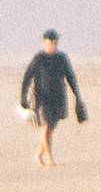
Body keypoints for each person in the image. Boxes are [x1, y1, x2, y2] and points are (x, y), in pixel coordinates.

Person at [19, 29, 86, 165]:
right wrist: (23, 98)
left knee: (50, 128)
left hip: (58, 97)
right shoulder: (39, 58)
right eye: (50, 42)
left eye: (55, 42)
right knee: (46, 126)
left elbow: (70, 78)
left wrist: (77, 96)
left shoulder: (61, 58)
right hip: (42, 98)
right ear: (44, 42)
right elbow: (27, 77)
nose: (53, 44)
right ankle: (49, 158)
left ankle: (38, 154)